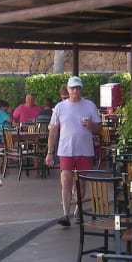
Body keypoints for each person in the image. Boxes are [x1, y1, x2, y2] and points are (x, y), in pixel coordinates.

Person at [45, 76, 101, 227]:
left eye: (78, 88)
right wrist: (50, 152)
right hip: (66, 150)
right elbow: (53, 131)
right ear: (68, 90)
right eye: (72, 88)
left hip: (85, 150)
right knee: (66, 181)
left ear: (81, 89)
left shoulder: (89, 105)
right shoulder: (60, 107)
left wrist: (91, 125)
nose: (75, 90)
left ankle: (78, 211)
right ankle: (65, 214)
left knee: (81, 184)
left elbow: (99, 129)